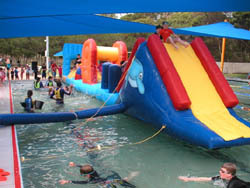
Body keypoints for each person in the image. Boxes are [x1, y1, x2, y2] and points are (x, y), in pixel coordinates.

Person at [59, 163, 137, 187]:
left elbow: (83, 182)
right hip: (110, 178)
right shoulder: (94, 172)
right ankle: (129, 177)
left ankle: (128, 177)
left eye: (82, 174)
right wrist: (76, 165)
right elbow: (86, 168)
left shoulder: (91, 180)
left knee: (117, 183)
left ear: (87, 175)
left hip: (107, 183)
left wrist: (68, 181)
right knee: (122, 182)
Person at [178, 163, 250, 188]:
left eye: (222, 171)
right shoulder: (223, 177)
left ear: (229, 174)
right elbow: (207, 179)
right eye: (220, 170)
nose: (219, 172)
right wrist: (188, 179)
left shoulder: (233, 184)